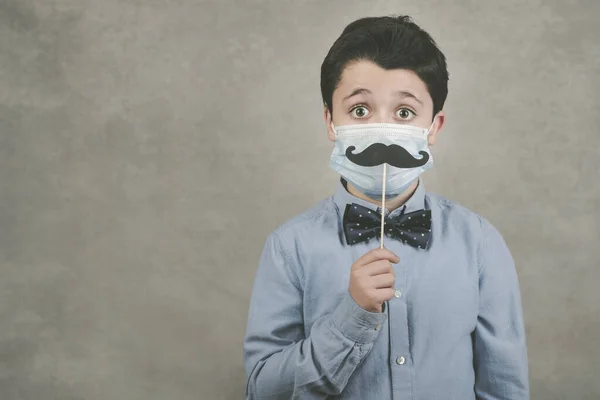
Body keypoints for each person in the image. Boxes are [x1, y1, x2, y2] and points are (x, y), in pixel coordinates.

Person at [243, 15, 529, 399]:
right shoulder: (289, 247)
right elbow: (262, 390)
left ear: (434, 127)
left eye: (405, 113)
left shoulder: (479, 242)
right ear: (331, 120)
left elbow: (504, 387)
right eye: (360, 110)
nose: (382, 128)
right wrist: (352, 317)